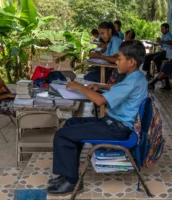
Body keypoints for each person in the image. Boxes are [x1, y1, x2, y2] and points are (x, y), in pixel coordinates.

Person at [46, 40, 148, 195]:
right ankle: (68, 173)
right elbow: (120, 88)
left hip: (117, 129)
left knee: (62, 135)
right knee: (71, 122)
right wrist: (102, 86)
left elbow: (100, 101)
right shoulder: (137, 77)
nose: (116, 62)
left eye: (119, 59)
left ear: (131, 62)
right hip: (115, 124)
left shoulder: (132, 80)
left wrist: (79, 87)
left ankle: (72, 182)